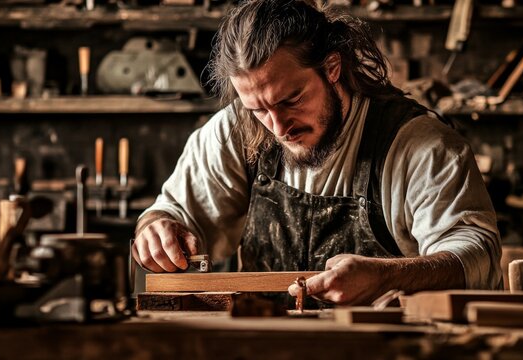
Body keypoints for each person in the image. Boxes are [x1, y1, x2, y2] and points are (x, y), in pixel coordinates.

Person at [132, 0, 502, 305]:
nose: (277, 127)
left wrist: (387, 275)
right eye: (259, 110)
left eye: (292, 100)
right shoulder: (234, 131)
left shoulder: (420, 146)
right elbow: (174, 213)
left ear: (332, 68)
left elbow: (476, 257)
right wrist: (157, 228)